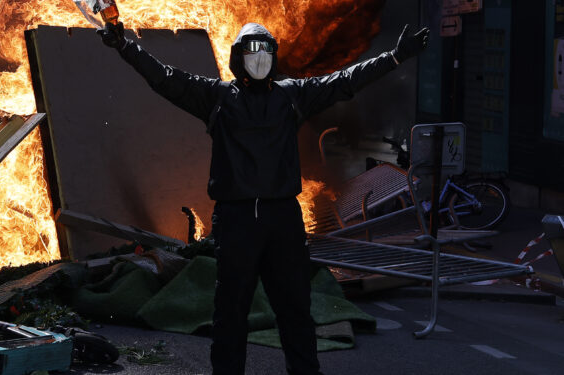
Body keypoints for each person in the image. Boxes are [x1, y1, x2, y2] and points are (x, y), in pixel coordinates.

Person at [98, 22, 429, 374]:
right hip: (237, 220)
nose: (259, 59)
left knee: (294, 308)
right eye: (251, 51)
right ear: (238, 58)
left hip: (282, 220)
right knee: (231, 311)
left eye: (265, 51)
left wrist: (394, 57)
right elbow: (164, 78)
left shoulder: (292, 95)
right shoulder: (217, 97)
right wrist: (125, 46)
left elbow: (345, 81)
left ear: (273, 56)